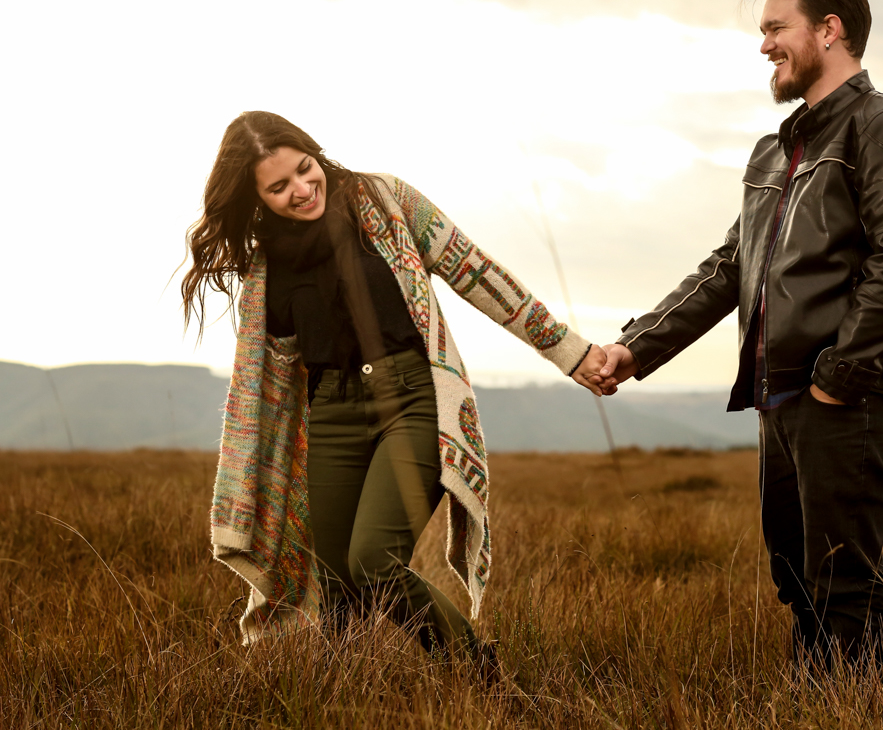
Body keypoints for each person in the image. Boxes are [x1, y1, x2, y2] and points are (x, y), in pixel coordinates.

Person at [591, 0, 883, 675]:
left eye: (777, 28)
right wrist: (636, 348)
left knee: (845, 582)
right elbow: (729, 268)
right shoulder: (777, 148)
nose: (764, 46)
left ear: (829, 31)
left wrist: (839, 374)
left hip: (847, 391)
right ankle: (822, 708)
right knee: (797, 578)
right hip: (780, 395)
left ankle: (858, 714)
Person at [182, 111, 608, 661]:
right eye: (279, 187)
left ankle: (481, 673)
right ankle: (344, 698)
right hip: (331, 413)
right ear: (256, 197)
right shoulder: (265, 270)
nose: (302, 190)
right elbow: (271, 384)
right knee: (335, 586)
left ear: (316, 153)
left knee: (374, 561)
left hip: (412, 399)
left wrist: (571, 354)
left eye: (305, 170)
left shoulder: (385, 202)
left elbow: (477, 272)